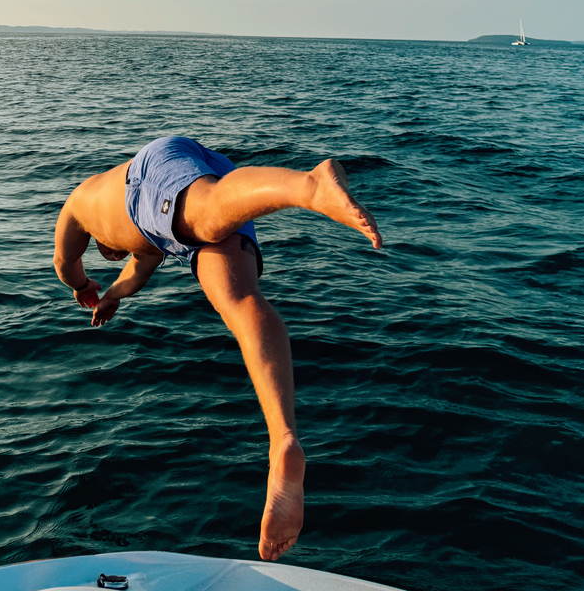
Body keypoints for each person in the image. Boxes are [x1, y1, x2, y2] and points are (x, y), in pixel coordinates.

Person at [53, 136, 382, 562]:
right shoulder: (148, 239)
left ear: (105, 245)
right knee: (238, 299)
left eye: (110, 255)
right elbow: (136, 273)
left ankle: (310, 185)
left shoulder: (84, 203)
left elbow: (63, 262)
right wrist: (111, 294)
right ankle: (283, 438)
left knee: (207, 216)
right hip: (198, 187)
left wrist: (82, 286)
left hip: (152, 173)